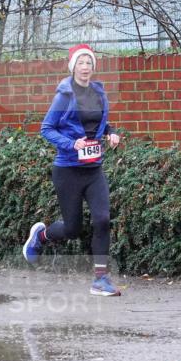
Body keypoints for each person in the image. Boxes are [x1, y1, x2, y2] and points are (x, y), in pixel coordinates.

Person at [22, 44, 122, 297]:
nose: (86, 67)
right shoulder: (64, 96)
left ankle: (100, 280)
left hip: (93, 169)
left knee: (102, 219)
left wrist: (111, 133)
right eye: (81, 63)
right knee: (72, 229)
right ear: (73, 67)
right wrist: (71, 144)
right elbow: (46, 128)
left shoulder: (98, 93)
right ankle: (40, 237)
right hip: (67, 170)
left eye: (89, 63)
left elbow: (99, 121)